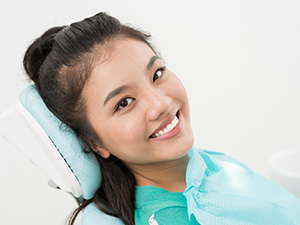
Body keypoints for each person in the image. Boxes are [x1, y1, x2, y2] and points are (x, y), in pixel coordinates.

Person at [23, 12, 300, 225]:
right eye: (124, 103)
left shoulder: (201, 166)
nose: (162, 103)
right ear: (94, 141)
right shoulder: (174, 216)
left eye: (157, 74)